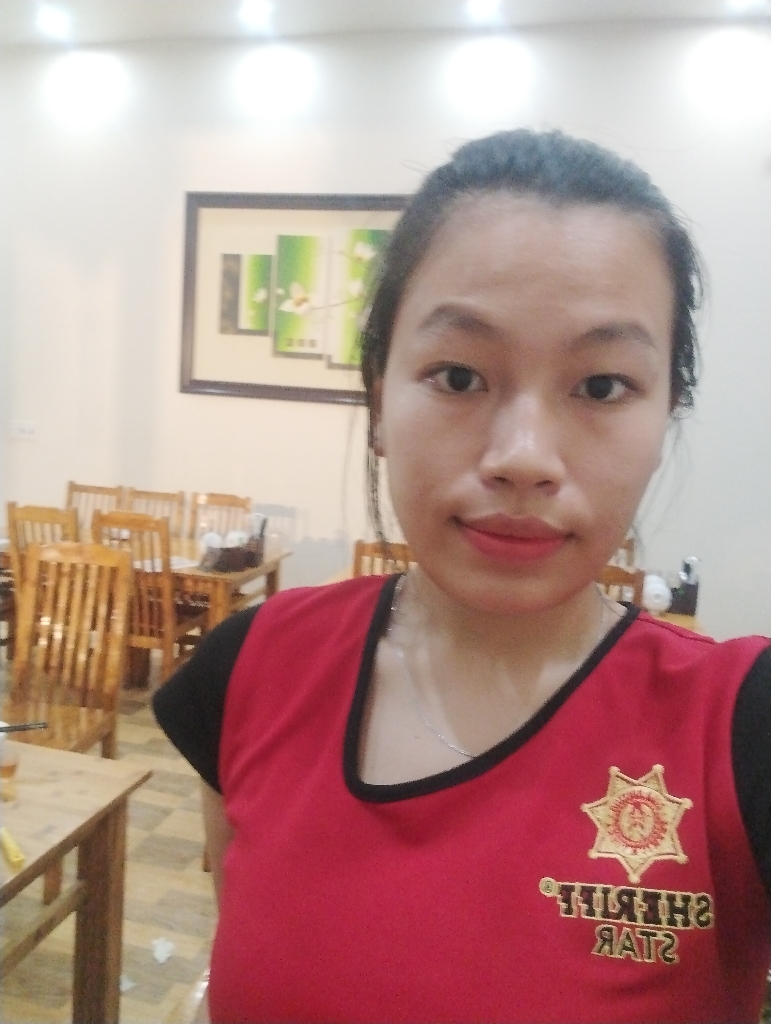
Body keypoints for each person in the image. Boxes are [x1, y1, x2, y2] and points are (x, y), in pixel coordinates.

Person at [153, 129, 770, 1024]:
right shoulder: (252, 667)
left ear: (664, 416)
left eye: (600, 387)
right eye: (457, 375)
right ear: (377, 397)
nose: (523, 457)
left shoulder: (739, 728)